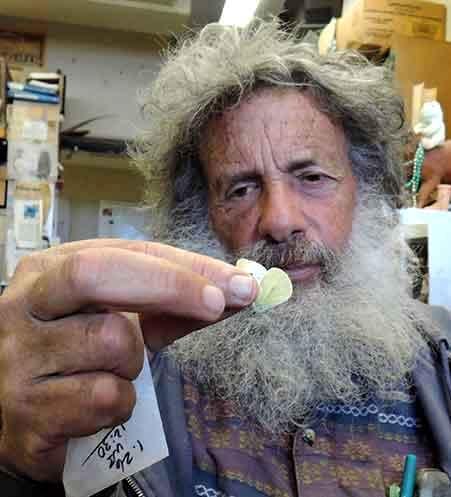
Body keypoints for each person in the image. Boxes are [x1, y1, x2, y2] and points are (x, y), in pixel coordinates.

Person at [1, 20, 451, 497]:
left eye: (312, 177)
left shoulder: (442, 366)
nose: (279, 219)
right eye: (241, 188)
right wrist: (20, 468)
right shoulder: (127, 385)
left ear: (364, 192)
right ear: (202, 218)